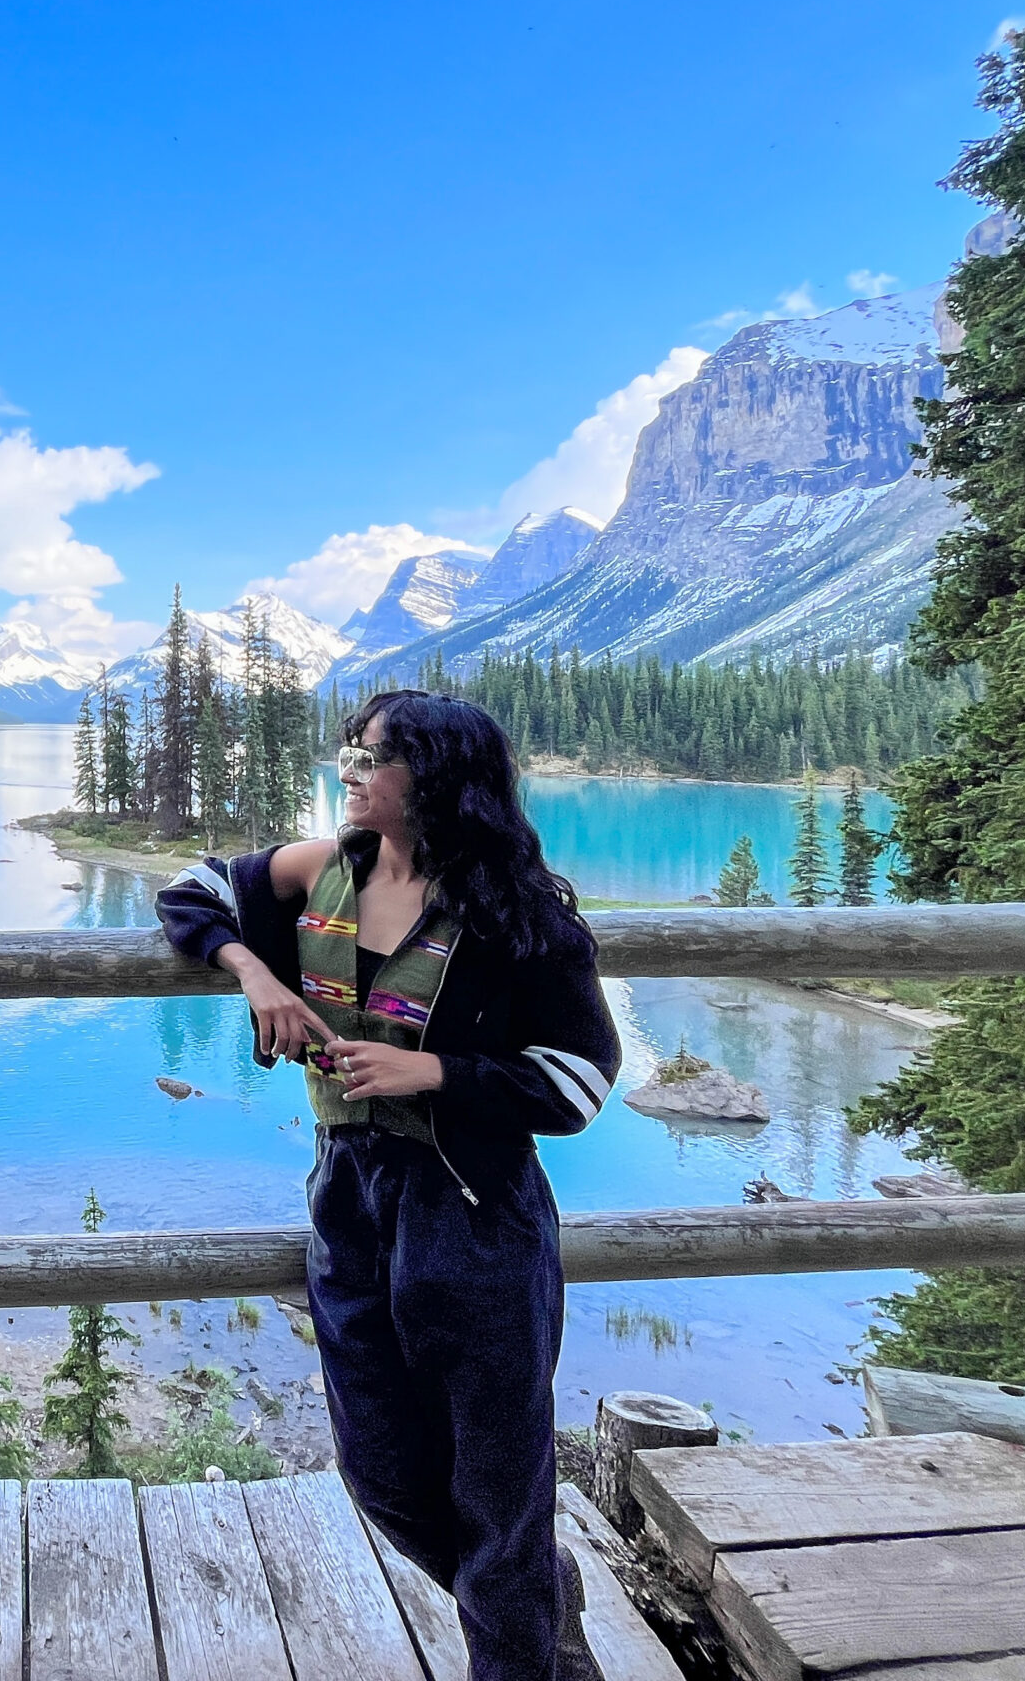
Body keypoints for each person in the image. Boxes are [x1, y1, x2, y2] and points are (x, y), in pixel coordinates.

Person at [157, 689, 618, 1681]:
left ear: (438, 777)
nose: (350, 770)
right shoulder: (323, 869)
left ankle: (522, 1640)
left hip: (472, 1210)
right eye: (349, 751)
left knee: (499, 1496)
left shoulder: (513, 912)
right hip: (346, 1204)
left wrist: (438, 1072)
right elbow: (190, 892)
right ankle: (537, 1603)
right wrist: (253, 970)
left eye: (374, 756)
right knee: (382, 1477)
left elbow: (582, 1078)